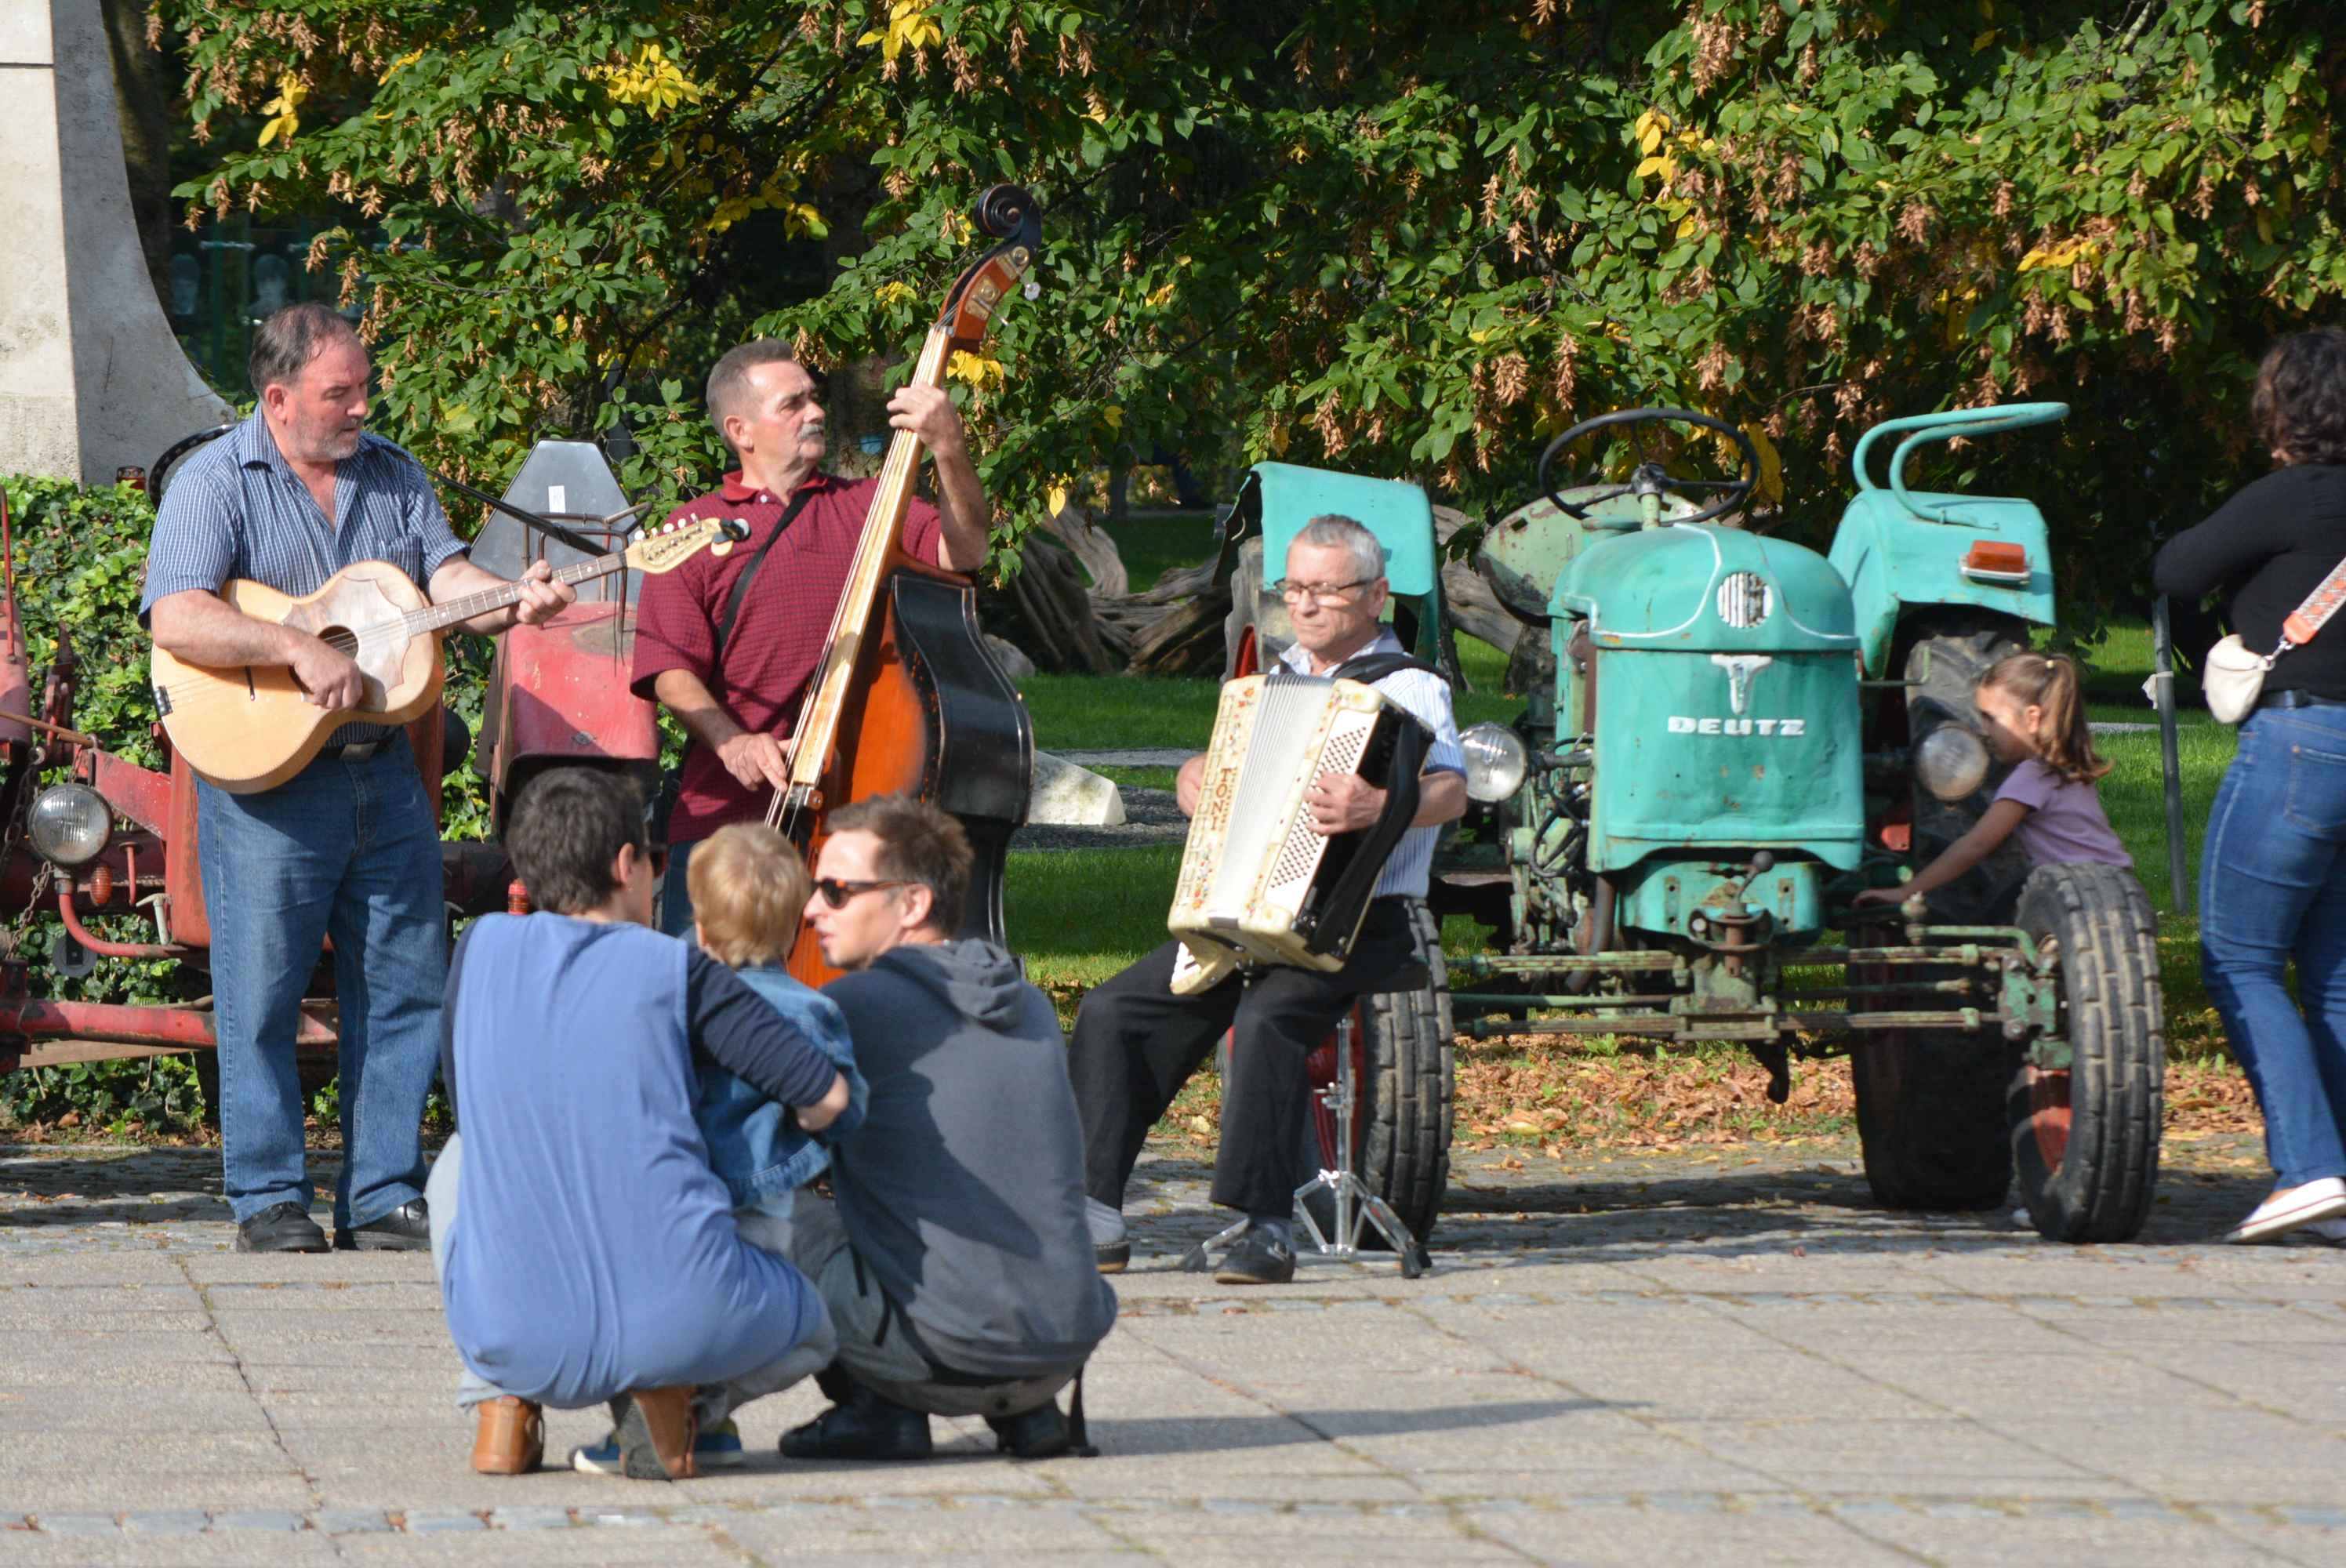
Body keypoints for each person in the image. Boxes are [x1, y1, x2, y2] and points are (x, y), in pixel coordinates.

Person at [140, 303, 576, 1255]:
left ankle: (382, 1189)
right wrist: (295, 646)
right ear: (279, 398)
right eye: (341, 393)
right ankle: (267, 1196)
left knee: (406, 978)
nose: (361, 406)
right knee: (260, 992)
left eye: (365, 387)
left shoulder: (393, 471)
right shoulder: (218, 478)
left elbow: (450, 579)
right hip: (268, 778)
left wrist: (513, 604)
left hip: (385, 770)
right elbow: (176, 617)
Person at [1067, 515, 1468, 1287]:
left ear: (1377, 594)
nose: (1306, 605)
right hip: (1253, 915)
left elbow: (1451, 789)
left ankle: (1265, 1226)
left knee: (1267, 1018)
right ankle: (1093, 1212)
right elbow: (1227, 773)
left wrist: (1376, 803)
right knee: (1115, 1010)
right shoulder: (1278, 678)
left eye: (1326, 589)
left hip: (1359, 918)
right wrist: (1195, 774)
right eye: (1295, 588)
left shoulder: (1411, 683)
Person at [430, 768, 851, 1479]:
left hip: (509, 1334)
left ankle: (499, 1401)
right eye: (654, 857)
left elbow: (470, 1100)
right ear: (627, 864)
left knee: (461, 1157)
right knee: (815, 1323)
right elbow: (826, 1096)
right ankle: (676, 1399)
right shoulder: (679, 970)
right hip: (686, 1317)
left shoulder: (478, 951)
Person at [779, 794, 1117, 1462]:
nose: (812, 908)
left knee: (774, 1213)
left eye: (836, 891)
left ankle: (875, 1409)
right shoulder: (1028, 1004)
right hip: (1061, 1346)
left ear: (912, 904)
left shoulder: (851, 1008)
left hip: (943, 1352)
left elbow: (776, 1148)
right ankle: (1026, 1414)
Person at [630, 339, 993, 935]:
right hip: (729, 819)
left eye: (814, 398)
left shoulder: (871, 506)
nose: (815, 412)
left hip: (857, 810)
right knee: (706, 1002)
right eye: (792, 404)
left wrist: (949, 447)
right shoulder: (691, 529)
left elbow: (966, 550)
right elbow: (671, 670)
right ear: (740, 430)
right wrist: (733, 743)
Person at [568, 819, 866, 1475]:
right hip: (762, 1212)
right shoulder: (809, 1011)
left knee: (673, 1315)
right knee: (809, 1335)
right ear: (793, 928)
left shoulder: (664, 993)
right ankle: (704, 1409)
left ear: (699, 926)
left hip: (669, 1200)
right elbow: (847, 1112)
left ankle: (687, 1412)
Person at [2153, 326, 2346, 1246]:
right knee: (2338, 977)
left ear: (2286, 409)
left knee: (2237, 955)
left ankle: (2309, 1168)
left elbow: (2174, 568)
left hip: (2302, 743)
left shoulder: (2293, 496)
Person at [1852, 652, 2130, 913]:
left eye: (1990, 718)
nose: (1984, 730)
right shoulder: (2067, 769)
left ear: (2032, 718)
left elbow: (1977, 844)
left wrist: (1907, 892)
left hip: (2082, 899)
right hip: (2121, 888)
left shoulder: (2030, 777)